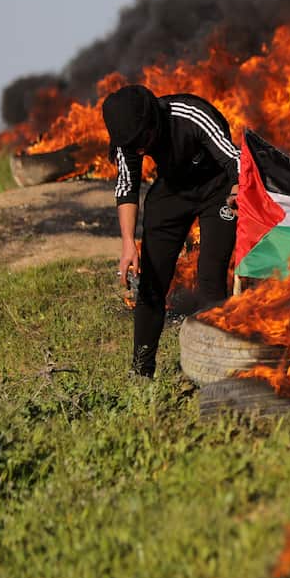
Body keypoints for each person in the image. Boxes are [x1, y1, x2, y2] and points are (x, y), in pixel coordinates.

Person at [103, 84, 239, 378]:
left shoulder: (191, 114)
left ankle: (213, 369)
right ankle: (141, 372)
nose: (139, 149)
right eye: (132, 145)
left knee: (210, 278)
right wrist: (128, 243)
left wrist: (238, 190)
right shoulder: (129, 142)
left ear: (153, 119)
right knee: (151, 283)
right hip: (172, 191)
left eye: (143, 141)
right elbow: (126, 187)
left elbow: (234, 159)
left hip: (218, 191)